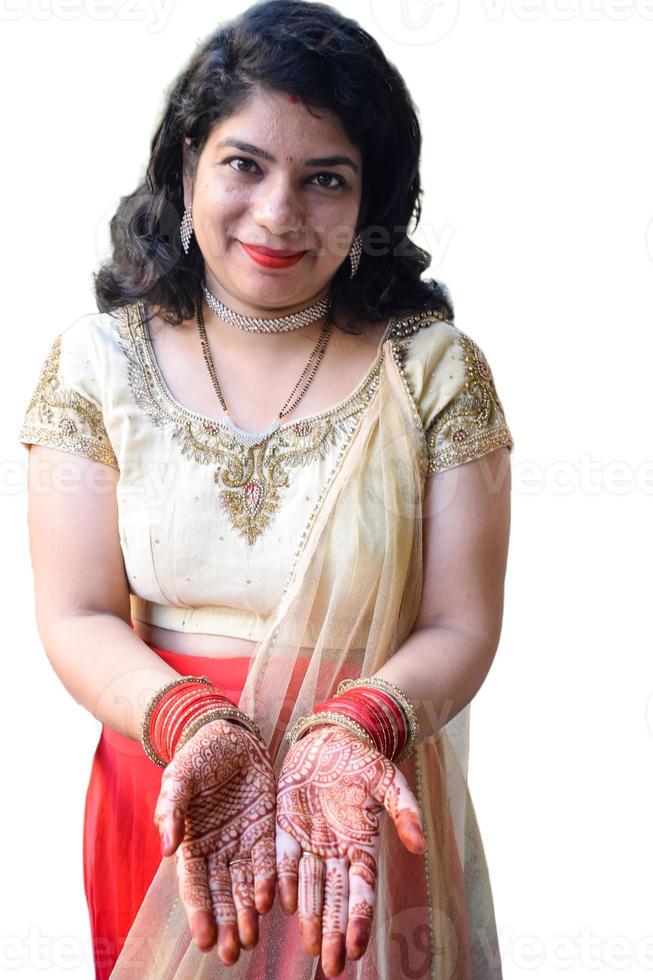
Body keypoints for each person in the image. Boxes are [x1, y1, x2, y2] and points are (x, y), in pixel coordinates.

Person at [18, 2, 514, 977]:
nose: (279, 213)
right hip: (172, 786)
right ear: (186, 161)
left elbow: (462, 622)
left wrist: (355, 725)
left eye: (324, 178)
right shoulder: (98, 363)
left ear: (371, 199)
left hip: (360, 805)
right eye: (244, 163)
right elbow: (73, 610)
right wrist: (190, 721)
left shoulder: (430, 373)